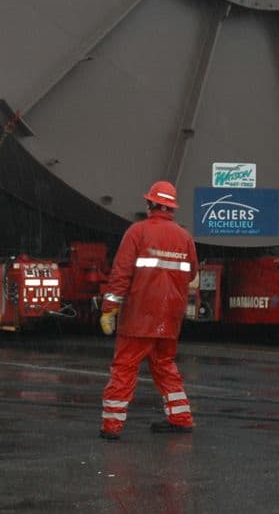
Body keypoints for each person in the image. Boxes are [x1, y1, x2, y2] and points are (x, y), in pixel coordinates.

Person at [98, 180, 198, 440]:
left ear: (150, 204)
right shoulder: (185, 237)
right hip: (170, 316)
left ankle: (112, 426)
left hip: (139, 316)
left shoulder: (137, 232)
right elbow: (192, 273)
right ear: (171, 207)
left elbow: (121, 274)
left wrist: (109, 309)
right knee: (165, 365)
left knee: (124, 367)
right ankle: (181, 418)